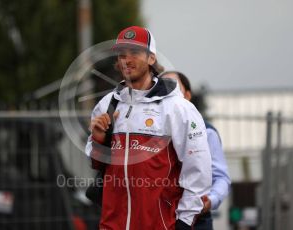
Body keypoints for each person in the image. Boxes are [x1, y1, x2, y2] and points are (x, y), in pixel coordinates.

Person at [85, 26, 212, 230]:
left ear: (151, 58)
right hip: (111, 225)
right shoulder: (106, 105)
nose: (127, 59)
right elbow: (97, 165)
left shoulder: (178, 108)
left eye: (135, 52)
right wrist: (99, 140)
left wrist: (184, 222)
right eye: (122, 54)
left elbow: (198, 172)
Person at [161, 71, 231, 230]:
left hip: (196, 219)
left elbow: (221, 177)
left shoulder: (206, 131)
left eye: (175, 89)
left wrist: (210, 200)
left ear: (187, 95)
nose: (168, 95)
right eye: (163, 89)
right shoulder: (151, 133)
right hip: (160, 217)